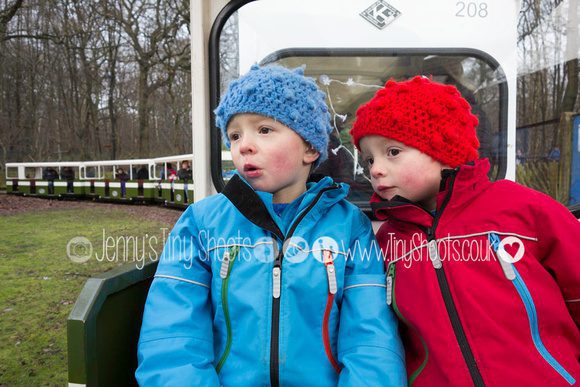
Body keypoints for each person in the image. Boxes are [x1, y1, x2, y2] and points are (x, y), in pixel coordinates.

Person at [136, 64, 405, 386]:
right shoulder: (201, 223)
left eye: (264, 130)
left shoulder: (350, 227)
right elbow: (172, 337)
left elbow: (370, 340)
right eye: (235, 135)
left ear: (310, 148)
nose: (244, 145)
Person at [350, 76, 580, 386]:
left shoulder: (522, 210)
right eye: (369, 159)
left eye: (392, 152)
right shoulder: (386, 241)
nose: (376, 169)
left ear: (442, 149)